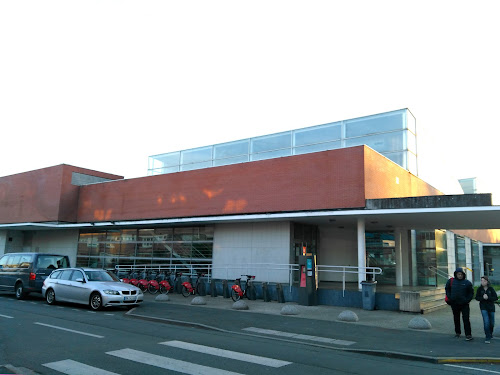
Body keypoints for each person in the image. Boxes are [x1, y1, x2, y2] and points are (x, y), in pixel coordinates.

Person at [445, 267, 474, 340]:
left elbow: (471, 293)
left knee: (466, 319)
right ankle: (457, 332)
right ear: (456, 274)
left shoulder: (467, 283)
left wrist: (467, 300)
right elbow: (447, 289)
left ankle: (468, 334)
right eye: (458, 274)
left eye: (461, 274)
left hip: (464, 304)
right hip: (454, 303)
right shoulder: (451, 281)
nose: (460, 276)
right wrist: (450, 297)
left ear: (463, 275)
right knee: (456, 318)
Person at [475, 275, 498, 344]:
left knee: (492, 322)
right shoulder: (480, 289)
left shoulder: (491, 289)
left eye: (484, 281)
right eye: (481, 281)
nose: (483, 282)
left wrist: (488, 298)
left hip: (491, 307)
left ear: (487, 281)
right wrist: (482, 298)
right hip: (483, 307)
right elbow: (477, 298)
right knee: (486, 322)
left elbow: (495, 298)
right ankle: (487, 336)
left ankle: (490, 334)